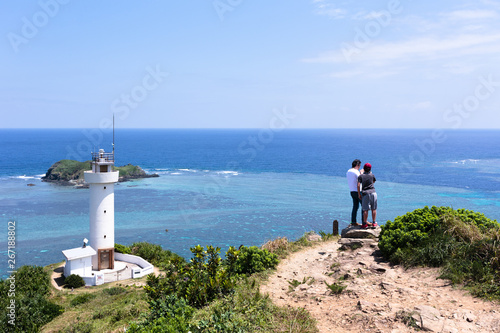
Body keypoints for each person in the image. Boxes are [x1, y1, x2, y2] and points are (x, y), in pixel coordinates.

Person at [357, 163, 378, 229]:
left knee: (365, 209)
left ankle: (364, 223)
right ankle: (374, 223)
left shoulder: (361, 176)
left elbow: (358, 185)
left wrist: (359, 194)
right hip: (373, 192)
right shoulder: (372, 175)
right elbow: (373, 181)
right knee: (373, 208)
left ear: (364, 168)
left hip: (365, 193)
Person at [346, 159, 362, 226]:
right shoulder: (356, 172)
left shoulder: (348, 171)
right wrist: (361, 173)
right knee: (364, 207)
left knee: (355, 207)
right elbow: (360, 180)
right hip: (358, 191)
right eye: (359, 166)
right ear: (357, 165)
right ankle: (364, 222)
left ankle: (353, 221)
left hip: (352, 191)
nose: (359, 167)